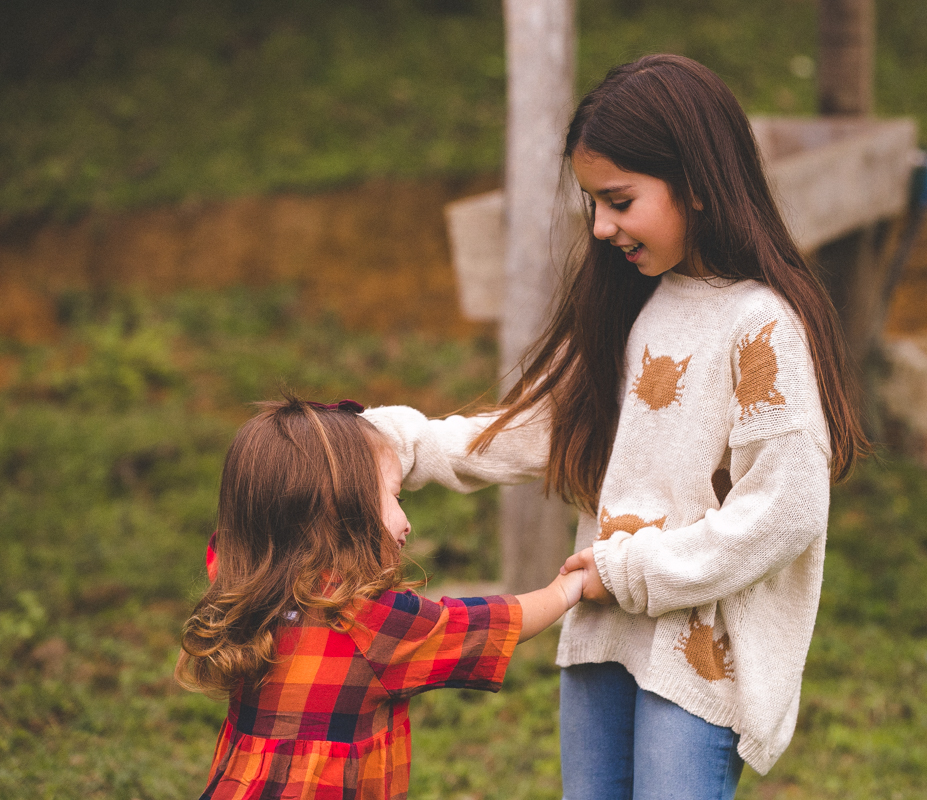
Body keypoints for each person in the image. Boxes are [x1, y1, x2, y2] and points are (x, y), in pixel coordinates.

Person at [364, 54, 869, 800]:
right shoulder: (636, 302)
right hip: (605, 635)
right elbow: (544, 427)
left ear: (696, 185)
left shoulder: (759, 324)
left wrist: (630, 571)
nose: (601, 227)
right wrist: (398, 443)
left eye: (620, 201)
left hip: (695, 655)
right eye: (593, 203)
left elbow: (784, 509)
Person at [176, 397, 584, 800]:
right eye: (395, 497)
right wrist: (566, 590)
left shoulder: (242, 584)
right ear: (339, 506)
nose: (406, 522)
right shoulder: (367, 620)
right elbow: (490, 624)